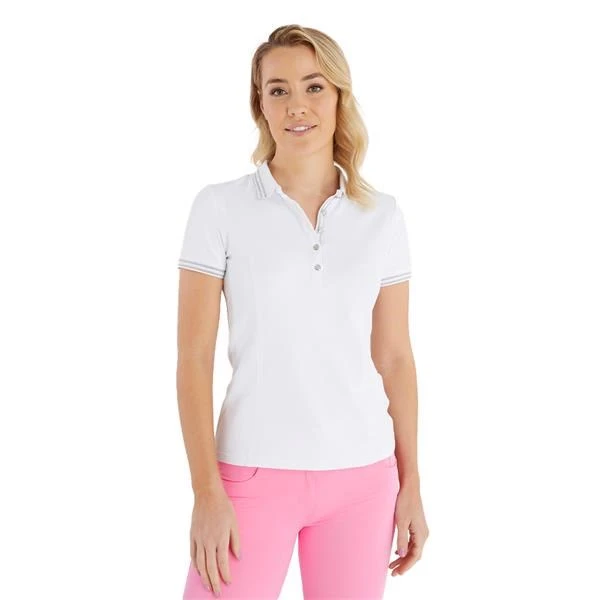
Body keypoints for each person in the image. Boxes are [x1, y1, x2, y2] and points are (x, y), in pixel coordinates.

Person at [176, 24, 429, 599]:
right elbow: (193, 359)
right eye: (278, 90)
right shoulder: (219, 209)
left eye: (314, 87)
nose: (297, 105)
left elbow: (395, 357)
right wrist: (206, 491)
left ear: (339, 97)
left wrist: (411, 481)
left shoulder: (382, 215)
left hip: (364, 479)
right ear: (260, 106)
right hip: (250, 475)